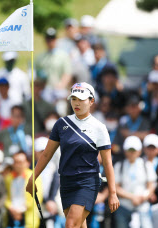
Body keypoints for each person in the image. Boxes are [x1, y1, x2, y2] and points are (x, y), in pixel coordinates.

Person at [26, 82, 120, 228]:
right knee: (79, 225)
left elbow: (107, 163)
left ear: (91, 101)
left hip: (87, 182)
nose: (77, 103)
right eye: (74, 99)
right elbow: (46, 155)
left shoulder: (99, 128)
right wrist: (33, 177)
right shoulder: (61, 124)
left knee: (70, 225)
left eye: (81, 99)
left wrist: (112, 193)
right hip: (66, 182)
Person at [114, 136, 156, 228]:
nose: (132, 153)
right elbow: (116, 188)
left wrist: (142, 198)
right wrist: (133, 197)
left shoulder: (147, 165)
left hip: (142, 206)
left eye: (134, 150)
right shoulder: (119, 166)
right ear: (125, 151)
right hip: (124, 206)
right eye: (129, 150)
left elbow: (151, 186)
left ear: (139, 151)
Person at [4, 151, 43, 228]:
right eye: (15, 162)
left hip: (28, 219)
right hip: (11, 217)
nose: (18, 165)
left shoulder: (33, 177)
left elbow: (37, 197)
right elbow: (6, 196)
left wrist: (21, 210)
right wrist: (11, 208)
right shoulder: (8, 178)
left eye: (20, 162)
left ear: (27, 163)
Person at [35, 28, 72, 104]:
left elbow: (67, 73)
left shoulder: (63, 55)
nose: (50, 41)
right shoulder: (40, 57)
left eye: (52, 39)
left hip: (59, 90)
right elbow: (37, 74)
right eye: (48, 39)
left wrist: (61, 85)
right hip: (45, 90)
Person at [112, 94, 151, 163]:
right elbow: (116, 142)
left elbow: (146, 136)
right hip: (124, 155)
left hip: (141, 155)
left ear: (139, 108)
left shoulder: (145, 121)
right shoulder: (122, 121)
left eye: (135, 106)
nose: (133, 109)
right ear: (127, 108)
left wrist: (129, 134)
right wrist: (139, 135)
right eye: (131, 106)